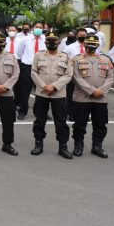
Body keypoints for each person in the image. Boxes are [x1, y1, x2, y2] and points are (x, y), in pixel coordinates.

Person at [29, 31, 73, 159]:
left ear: (58, 43)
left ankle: (63, 147)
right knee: (39, 120)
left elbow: (68, 74)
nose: (52, 43)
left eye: (54, 41)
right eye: (49, 41)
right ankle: (38, 144)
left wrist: (54, 86)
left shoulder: (65, 57)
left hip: (58, 94)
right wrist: (44, 86)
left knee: (61, 121)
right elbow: (33, 72)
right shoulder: (38, 55)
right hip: (42, 93)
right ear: (46, 42)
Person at [71, 34, 113, 158]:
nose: (91, 46)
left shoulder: (105, 60)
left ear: (97, 46)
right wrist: (91, 90)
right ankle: (78, 146)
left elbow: (110, 77)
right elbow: (75, 77)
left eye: (93, 45)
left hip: (100, 98)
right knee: (79, 124)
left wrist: (101, 90)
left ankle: (97, 146)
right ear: (84, 44)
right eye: (88, 44)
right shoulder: (76, 59)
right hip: (81, 98)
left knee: (100, 124)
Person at [14, 21, 46, 120]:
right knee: (25, 91)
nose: (38, 29)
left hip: (42, 68)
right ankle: (22, 111)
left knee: (41, 91)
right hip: (27, 67)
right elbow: (19, 53)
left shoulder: (46, 40)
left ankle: (40, 112)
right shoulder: (25, 39)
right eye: (36, 27)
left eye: (40, 27)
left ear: (43, 29)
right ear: (32, 28)